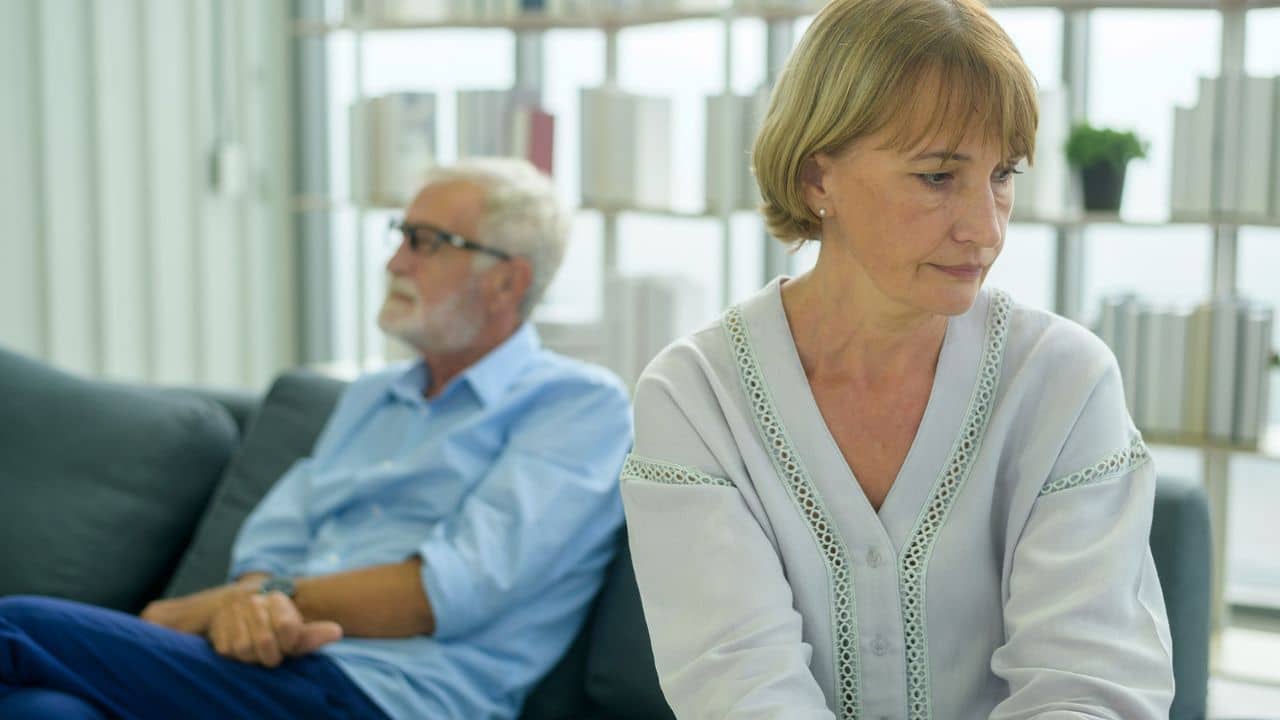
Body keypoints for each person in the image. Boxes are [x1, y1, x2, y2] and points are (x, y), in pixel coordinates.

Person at [619, 0, 1175, 717]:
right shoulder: (694, 398)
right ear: (820, 179)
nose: (985, 228)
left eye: (1003, 174)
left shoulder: (1066, 381)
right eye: (938, 177)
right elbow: (740, 691)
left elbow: (1090, 686)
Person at [0, 158, 633, 719]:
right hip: (265, 667)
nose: (394, 262)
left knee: (15, 626)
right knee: (43, 709)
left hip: (385, 694)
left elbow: (444, 594)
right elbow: (278, 533)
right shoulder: (370, 396)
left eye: (426, 242)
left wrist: (221, 607)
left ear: (508, 281)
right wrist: (254, 603)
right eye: (399, 236)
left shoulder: (579, 405)